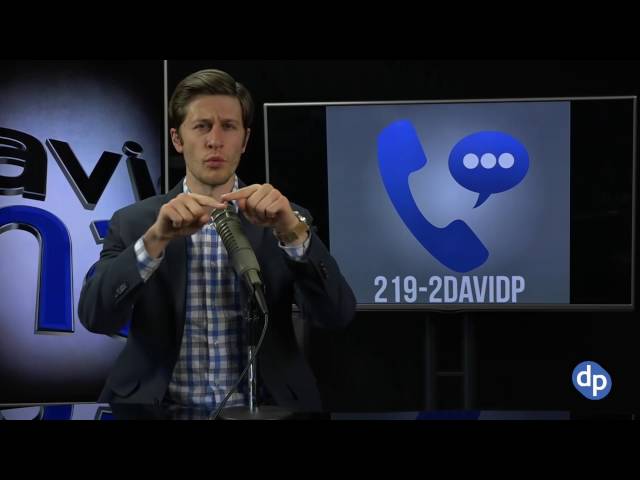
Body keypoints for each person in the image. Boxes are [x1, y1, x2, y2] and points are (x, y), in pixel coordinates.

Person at [78, 69, 356, 415]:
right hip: (159, 409)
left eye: (228, 126)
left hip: (265, 410)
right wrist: (154, 240)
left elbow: (337, 314)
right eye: (201, 126)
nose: (215, 140)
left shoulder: (284, 217)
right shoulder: (134, 222)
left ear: (245, 139)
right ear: (178, 139)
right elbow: (95, 317)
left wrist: (293, 234)